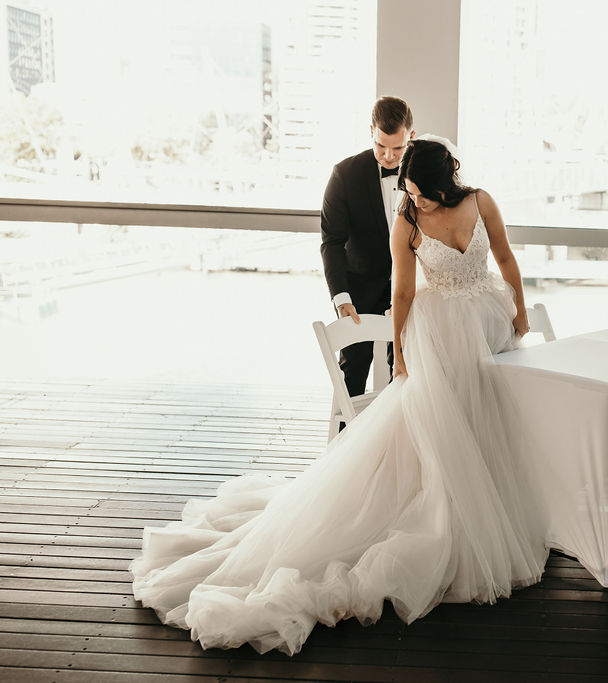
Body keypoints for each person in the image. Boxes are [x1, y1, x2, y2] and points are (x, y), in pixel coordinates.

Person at [130, 138, 548, 656]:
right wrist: (398, 355)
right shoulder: (408, 222)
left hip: (488, 320)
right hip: (437, 333)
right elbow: (403, 292)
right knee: (439, 427)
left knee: (489, 419)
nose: (413, 200)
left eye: (421, 193)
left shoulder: (481, 201)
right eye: (407, 191)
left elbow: (505, 256)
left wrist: (521, 311)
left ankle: (494, 512)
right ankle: (444, 518)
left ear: (446, 184)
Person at [321, 96, 414, 401]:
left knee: (406, 370)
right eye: (380, 146)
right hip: (358, 289)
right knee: (354, 370)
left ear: (410, 136)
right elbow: (332, 242)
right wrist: (341, 298)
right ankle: (346, 441)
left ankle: (396, 444)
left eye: (397, 149)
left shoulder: (425, 173)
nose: (388, 156)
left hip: (411, 288)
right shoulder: (345, 175)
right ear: (370, 131)